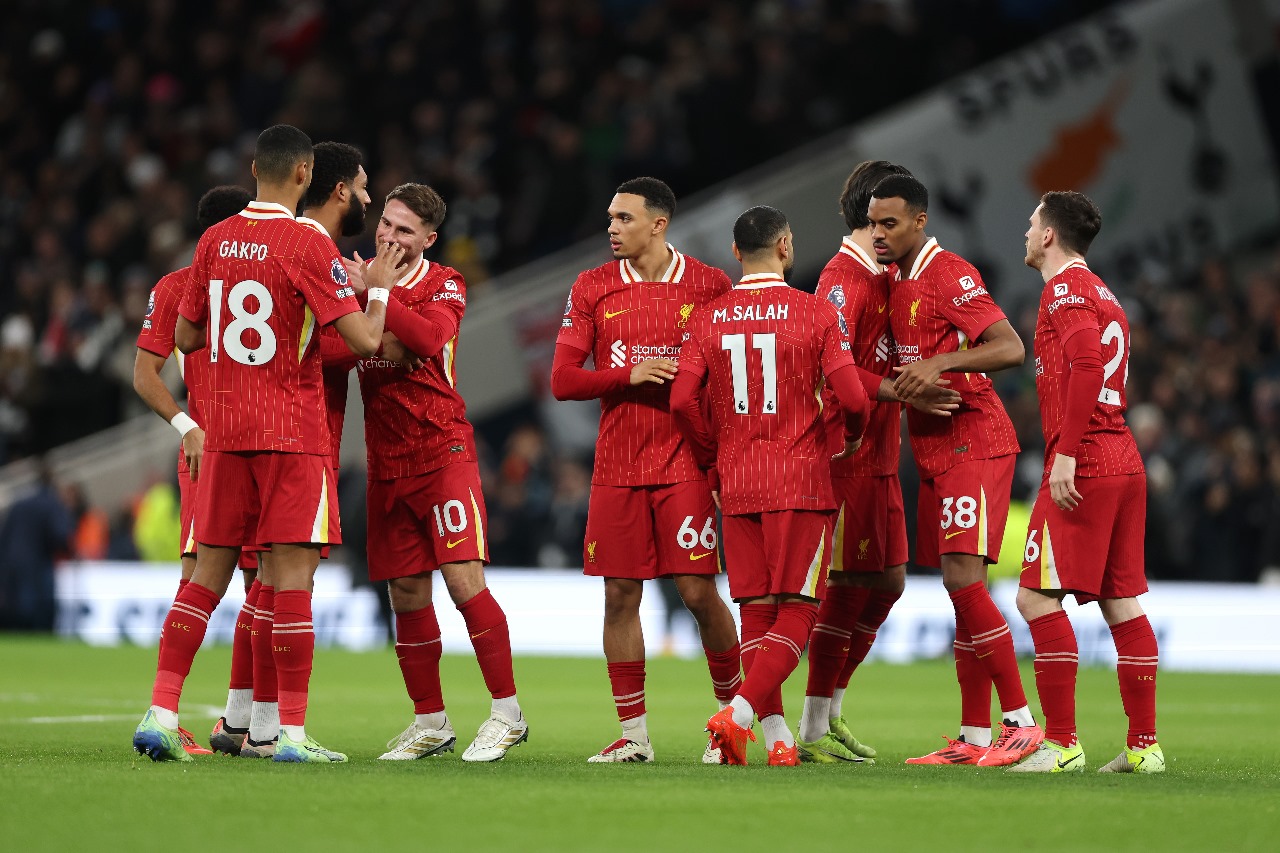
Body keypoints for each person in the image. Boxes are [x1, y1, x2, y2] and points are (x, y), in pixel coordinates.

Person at [132, 124, 402, 764]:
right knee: (288, 583)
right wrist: (382, 288)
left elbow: (190, 336)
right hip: (290, 434)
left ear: (255, 167)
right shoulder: (308, 242)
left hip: (223, 437)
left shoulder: (213, 241)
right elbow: (364, 343)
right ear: (305, 175)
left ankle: (161, 711)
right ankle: (290, 735)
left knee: (203, 580)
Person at [671, 205, 871, 766]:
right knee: (800, 608)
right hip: (800, 480)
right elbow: (853, 398)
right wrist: (851, 438)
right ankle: (734, 718)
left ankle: (780, 740)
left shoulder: (707, 319)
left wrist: (713, 461)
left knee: (758, 610)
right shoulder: (815, 316)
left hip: (737, 482)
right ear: (786, 245)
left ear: (736, 252)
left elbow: (681, 400)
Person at [550, 177, 741, 764]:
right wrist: (625, 375)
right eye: (610, 218)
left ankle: (730, 724)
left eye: (624, 219)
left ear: (658, 224)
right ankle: (634, 738)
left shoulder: (710, 285)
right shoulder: (593, 287)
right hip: (616, 466)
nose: (612, 228)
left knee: (697, 592)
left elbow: (728, 377)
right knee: (619, 596)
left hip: (684, 460)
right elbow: (563, 380)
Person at [868, 174, 1043, 766]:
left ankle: (1021, 723)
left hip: (977, 441)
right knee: (960, 587)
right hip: (935, 449)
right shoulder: (893, 280)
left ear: (919, 220)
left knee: (963, 579)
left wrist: (944, 358)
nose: (879, 233)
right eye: (872, 223)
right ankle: (972, 738)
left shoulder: (949, 272)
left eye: (889, 223)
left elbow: (1011, 346)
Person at [354, 183, 529, 763]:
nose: (388, 237)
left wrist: (377, 293)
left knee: (463, 581)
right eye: (386, 223)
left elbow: (427, 339)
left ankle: (507, 713)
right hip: (386, 461)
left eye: (405, 231)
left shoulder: (444, 283)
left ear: (428, 240)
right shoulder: (349, 281)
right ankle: (430, 720)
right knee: (405, 592)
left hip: (441, 453)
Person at [1008, 192, 1163, 774]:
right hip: (1123, 456)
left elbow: (1086, 364)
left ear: (1049, 235)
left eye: (1031, 223)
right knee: (1121, 602)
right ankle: (1144, 748)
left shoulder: (1065, 289)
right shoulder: (1103, 292)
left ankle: (1061, 744)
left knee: (1034, 597)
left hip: (1088, 459)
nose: (1026, 232)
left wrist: (1066, 455)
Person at [133, 184, 256, 757]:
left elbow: (147, 372)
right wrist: (189, 428)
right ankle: (176, 711)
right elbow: (145, 372)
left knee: (240, 583)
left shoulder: (179, 285)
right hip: (229, 451)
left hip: (226, 449)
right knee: (227, 579)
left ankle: (236, 720)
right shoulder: (188, 286)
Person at [797, 160, 913, 763]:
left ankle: (832, 708)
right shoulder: (843, 281)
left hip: (882, 455)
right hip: (847, 455)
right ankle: (814, 727)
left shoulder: (885, 275)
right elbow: (829, 367)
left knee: (888, 583)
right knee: (846, 584)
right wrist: (900, 389)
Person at [0, 459, 72, 632]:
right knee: (37, 612)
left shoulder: (20, 502)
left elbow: (4, 535)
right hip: (38, 565)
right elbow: (60, 535)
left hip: (12, 563)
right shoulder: (51, 504)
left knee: (14, 608)